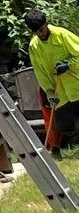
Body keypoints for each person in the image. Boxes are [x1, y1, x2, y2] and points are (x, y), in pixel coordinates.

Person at [27, 10, 79, 149]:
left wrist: (68, 65)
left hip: (76, 84)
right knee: (65, 126)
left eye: (41, 29)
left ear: (46, 24)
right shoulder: (34, 46)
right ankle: (62, 151)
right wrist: (49, 91)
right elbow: (40, 72)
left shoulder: (62, 34)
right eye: (36, 32)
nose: (40, 33)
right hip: (60, 91)